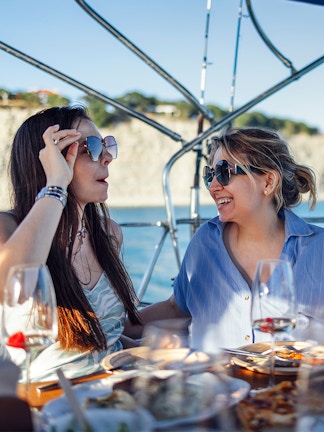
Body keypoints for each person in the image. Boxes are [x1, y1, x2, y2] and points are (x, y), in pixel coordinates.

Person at [124, 126, 324, 349]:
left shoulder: (319, 250)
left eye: (224, 173)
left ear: (268, 182)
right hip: (214, 383)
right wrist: (109, 331)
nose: (212, 186)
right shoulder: (204, 242)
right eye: (209, 175)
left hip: (292, 384)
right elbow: (176, 308)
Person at [0, 105, 140, 381]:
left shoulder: (108, 234)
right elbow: (14, 281)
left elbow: (103, 337)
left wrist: (152, 349)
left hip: (114, 394)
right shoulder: (7, 227)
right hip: (44, 402)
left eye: (107, 145)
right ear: (49, 160)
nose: (108, 157)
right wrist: (57, 183)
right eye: (92, 147)